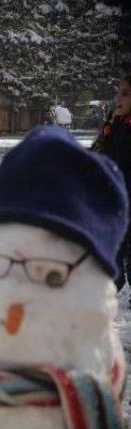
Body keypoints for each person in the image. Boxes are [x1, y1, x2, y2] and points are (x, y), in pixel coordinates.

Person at [92, 73, 131, 295]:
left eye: (125, 94)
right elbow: (101, 153)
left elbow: (120, 155)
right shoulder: (115, 123)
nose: (118, 99)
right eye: (118, 92)